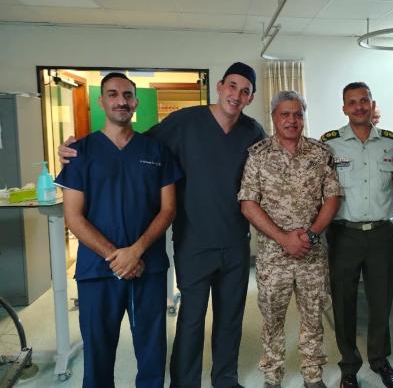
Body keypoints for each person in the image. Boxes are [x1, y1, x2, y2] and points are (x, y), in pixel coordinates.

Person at [59, 62, 265, 388]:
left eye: (245, 91)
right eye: (232, 86)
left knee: (228, 319)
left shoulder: (253, 132)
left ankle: (225, 379)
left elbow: (272, 166)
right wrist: (73, 148)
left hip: (232, 240)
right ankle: (184, 383)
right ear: (220, 86)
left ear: (250, 98)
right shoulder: (184, 122)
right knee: (190, 320)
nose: (236, 95)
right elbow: (133, 143)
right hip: (193, 241)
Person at [55, 72, 183, 388]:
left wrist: (135, 252)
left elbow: (168, 209)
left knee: (152, 353)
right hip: (98, 270)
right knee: (98, 355)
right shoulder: (80, 152)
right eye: (113, 94)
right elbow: (73, 217)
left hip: (147, 268)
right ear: (102, 102)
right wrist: (117, 257)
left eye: (127, 95)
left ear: (136, 102)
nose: (121, 101)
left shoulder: (156, 151)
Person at [238, 91, 342, 388]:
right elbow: (248, 204)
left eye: (297, 114)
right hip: (274, 257)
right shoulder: (258, 155)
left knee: (313, 317)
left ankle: (313, 375)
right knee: (272, 320)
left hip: (311, 254)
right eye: (285, 114)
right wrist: (284, 239)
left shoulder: (320, 153)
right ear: (274, 117)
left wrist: (310, 235)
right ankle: (273, 376)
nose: (292, 120)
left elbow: (333, 197)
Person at [321, 82, 393, 388]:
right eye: (352, 102)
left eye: (363, 100)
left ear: (372, 104)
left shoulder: (391, 143)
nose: (358, 106)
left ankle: (380, 361)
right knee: (343, 303)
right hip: (344, 234)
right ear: (344, 108)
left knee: (381, 301)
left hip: (381, 234)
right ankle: (349, 367)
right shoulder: (330, 143)